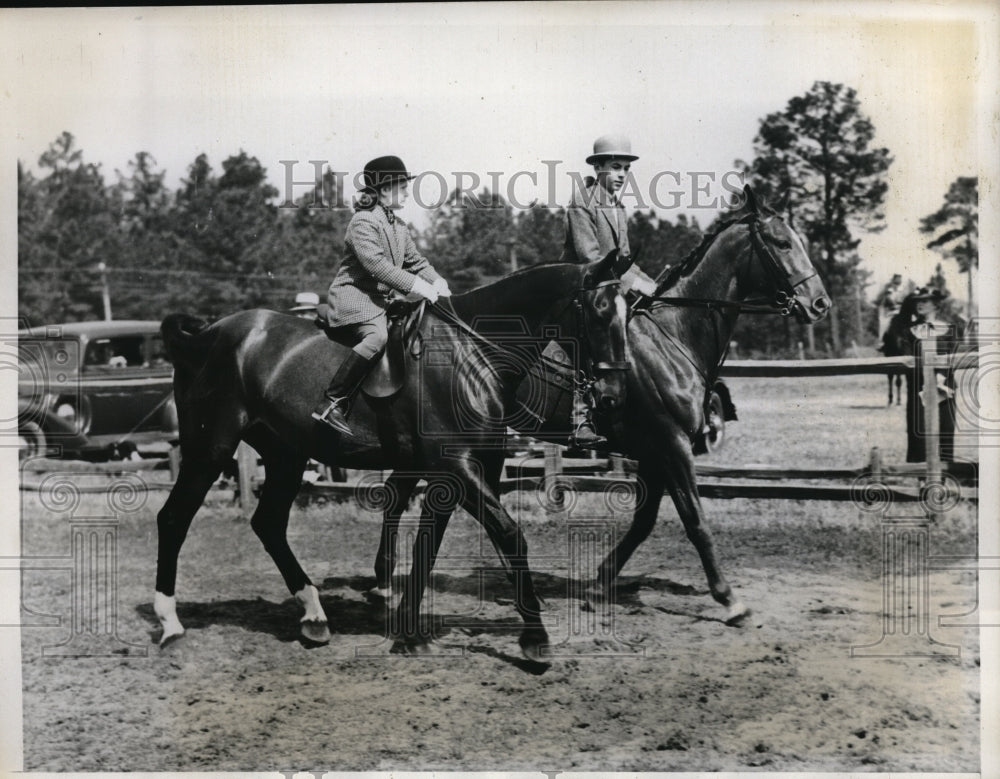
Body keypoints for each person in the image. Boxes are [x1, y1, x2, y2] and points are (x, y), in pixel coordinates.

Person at [312, 155, 451, 436]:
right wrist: (420, 287)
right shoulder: (362, 222)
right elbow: (378, 267)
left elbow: (417, 262)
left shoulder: (398, 225)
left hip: (381, 301)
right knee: (378, 337)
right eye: (402, 185)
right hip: (355, 298)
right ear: (385, 189)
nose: (407, 191)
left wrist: (439, 282)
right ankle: (332, 402)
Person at [560, 134, 658, 448]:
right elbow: (591, 259)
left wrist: (652, 284)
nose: (621, 175)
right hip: (581, 289)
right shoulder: (582, 201)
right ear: (599, 167)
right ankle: (579, 418)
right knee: (587, 344)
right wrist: (633, 282)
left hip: (609, 288)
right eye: (615, 167)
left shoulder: (618, 208)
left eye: (626, 169)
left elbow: (624, 259)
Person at [895, 286, 963, 463]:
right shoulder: (909, 331)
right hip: (919, 390)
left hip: (945, 390)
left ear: (935, 305)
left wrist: (940, 376)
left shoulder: (950, 329)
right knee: (919, 434)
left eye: (924, 301)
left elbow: (954, 358)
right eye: (917, 301)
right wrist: (926, 379)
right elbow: (908, 359)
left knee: (945, 431)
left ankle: (945, 479)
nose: (919, 304)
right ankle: (921, 480)